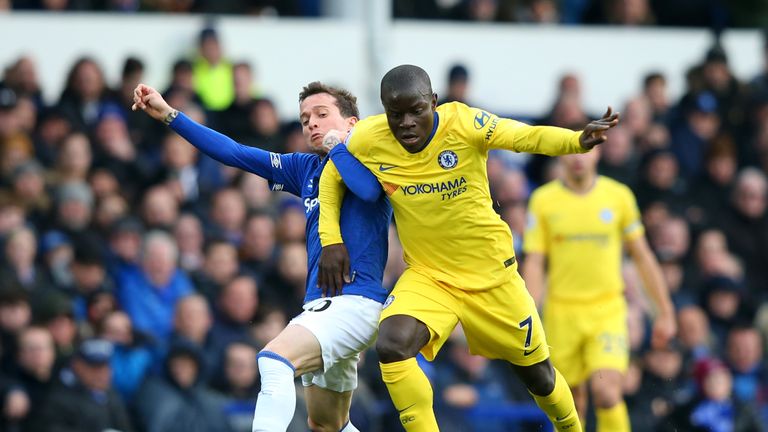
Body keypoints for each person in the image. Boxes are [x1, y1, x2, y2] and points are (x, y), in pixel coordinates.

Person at [318, 64, 619, 432]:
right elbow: (333, 174)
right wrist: (330, 239)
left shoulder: (464, 124)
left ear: (434, 102)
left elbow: (523, 136)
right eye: (396, 114)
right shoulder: (368, 137)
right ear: (384, 110)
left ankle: (571, 427)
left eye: (417, 110)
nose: (407, 122)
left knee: (538, 376)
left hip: (493, 278)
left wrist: (576, 141)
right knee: (392, 345)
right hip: (430, 276)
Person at [132, 81, 391, 432]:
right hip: (323, 307)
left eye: (321, 114)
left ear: (352, 122)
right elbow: (236, 152)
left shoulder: (374, 161)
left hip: (354, 302)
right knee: (327, 425)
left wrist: (339, 149)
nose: (311, 124)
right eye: (304, 119)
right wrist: (170, 116)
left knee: (273, 360)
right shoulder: (305, 169)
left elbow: (368, 190)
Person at [521, 146, 676, 431]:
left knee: (607, 393)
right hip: (561, 312)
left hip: (606, 310)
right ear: (561, 154)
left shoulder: (618, 197)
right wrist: (530, 313)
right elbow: (535, 261)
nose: (579, 158)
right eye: (572, 150)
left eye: (586, 149)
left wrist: (664, 311)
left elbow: (643, 256)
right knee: (570, 403)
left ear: (597, 154)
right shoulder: (543, 200)